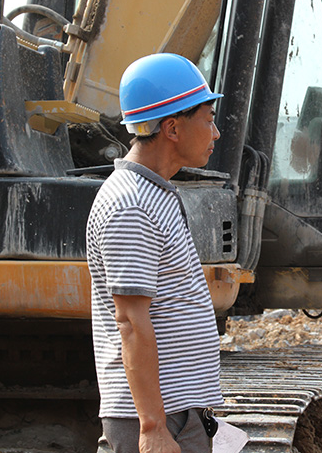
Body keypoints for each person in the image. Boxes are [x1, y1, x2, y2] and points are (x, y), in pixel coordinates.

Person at [87, 53, 223, 453]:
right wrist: (152, 427)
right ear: (172, 127)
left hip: (176, 412)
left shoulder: (153, 194)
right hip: (159, 419)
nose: (215, 133)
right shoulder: (131, 205)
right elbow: (130, 320)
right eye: (209, 119)